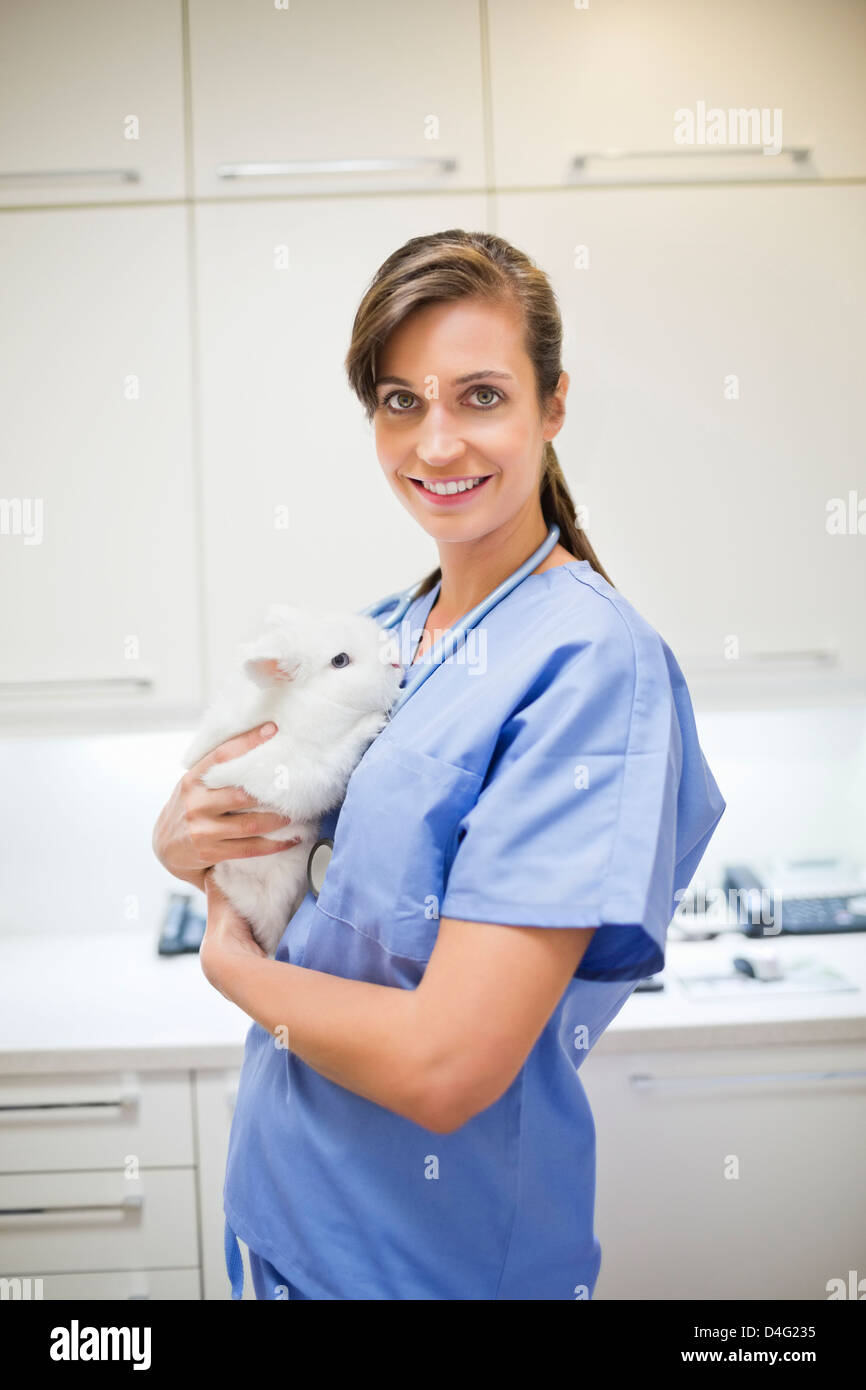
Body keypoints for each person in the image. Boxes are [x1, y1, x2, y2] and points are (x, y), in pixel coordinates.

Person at [152, 229, 726, 1301]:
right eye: (400, 401)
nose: (437, 443)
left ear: (551, 406)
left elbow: (443, 1064)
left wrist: (233, 971)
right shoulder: (388, 628)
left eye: (479, 396)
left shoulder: (586, 665)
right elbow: (245, 815)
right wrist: (176, 835)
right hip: (288, 1231)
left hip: (428, 1265)